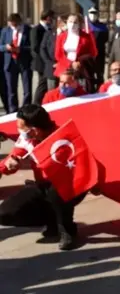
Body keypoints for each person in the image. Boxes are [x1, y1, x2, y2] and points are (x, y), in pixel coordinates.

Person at [0, 105, 86, 250]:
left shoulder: (62, 137)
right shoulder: (27, 140)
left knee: (55, 192)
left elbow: (85, 160)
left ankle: (67, 229)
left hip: (69, 186)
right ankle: (51, 220)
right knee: (5, 213)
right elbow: (14, 156)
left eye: (22, 127)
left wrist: (97, 185)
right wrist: (8, 164)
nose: (19, 131)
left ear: (35, 129)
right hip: (42, 186)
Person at [54, 13, 98, 92]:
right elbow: (58, 55)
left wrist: (80, 61)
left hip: (81, 70)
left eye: (75, 22)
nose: (72, 24)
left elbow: (93, 52)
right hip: (65, 69)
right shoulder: (61, 36)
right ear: (67, 22)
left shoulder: (86, 36)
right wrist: (71, 63)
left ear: (79, 24)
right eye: (70, 22)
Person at [0, 13, 32, 113]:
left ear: (19, 22)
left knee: (27, 89)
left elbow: (32, 46)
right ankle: (12, 110)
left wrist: (21, 49)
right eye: (11, 24)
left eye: (15, 24)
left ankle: (26, 110)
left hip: (24, 62)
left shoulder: (28, 30)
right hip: (10, 63)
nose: (13, 26)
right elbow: (0, 46)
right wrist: (6, 47)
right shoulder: (5, 31)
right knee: (11, 89)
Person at [31, 10, 54, 105]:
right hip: (41, 63)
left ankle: (41, 103)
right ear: (48, 18)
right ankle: (36, 103)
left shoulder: (49, 29)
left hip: (47, 62)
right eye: (52, 18)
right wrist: (45, 60)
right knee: (42, 84)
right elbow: (35, 48)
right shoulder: (36, 29)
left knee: (44, 85)